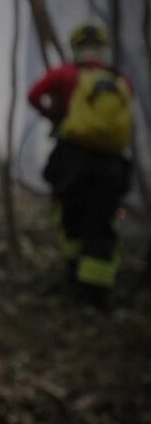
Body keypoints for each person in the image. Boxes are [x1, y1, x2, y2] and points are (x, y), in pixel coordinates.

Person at [27, 23, 133, 306]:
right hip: (111, 165)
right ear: (102, 49)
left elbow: (34, 95)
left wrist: (55, 115)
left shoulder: (65, 75)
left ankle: (74, 283)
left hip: (73, 162)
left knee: (72, 221)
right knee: (102, 226)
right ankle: (98, 295)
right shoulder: (120, 81)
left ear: (75, 48)